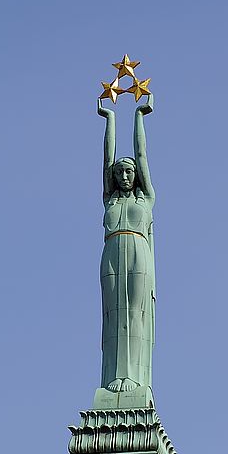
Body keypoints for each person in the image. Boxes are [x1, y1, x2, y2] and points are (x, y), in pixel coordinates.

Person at [97, 94, 156, 392]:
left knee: (134, 311)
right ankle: (112, 377)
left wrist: (138, 117)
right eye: (119, 172)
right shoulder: (110, 199)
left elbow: (142, 155)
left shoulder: (145, 199)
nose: (123, 175)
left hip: (137, 252)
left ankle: (132, 376)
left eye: (128, 171)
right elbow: (107, 158)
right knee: (113, 314)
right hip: (111, 251)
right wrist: (109, 119)